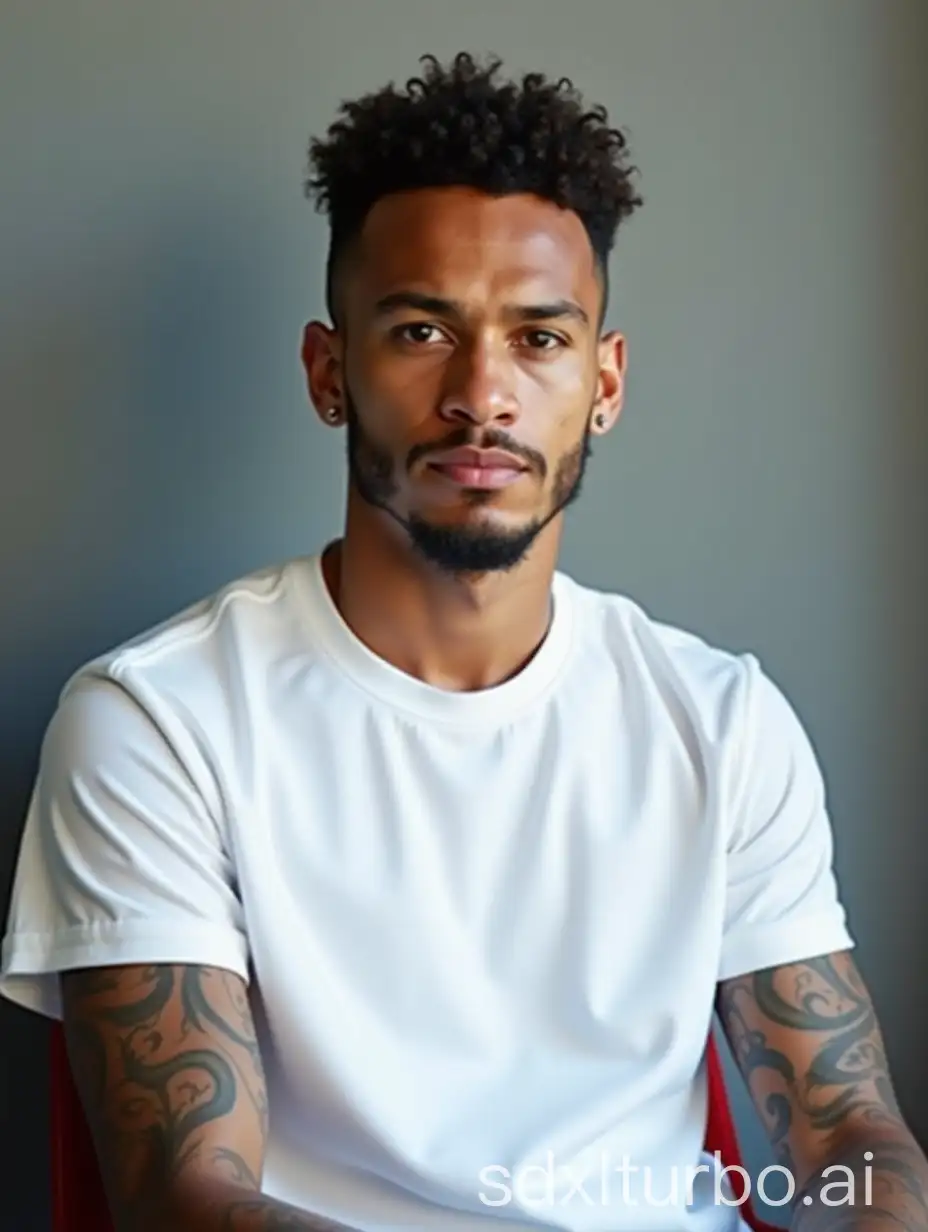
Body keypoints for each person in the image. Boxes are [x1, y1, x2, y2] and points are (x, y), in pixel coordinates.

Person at [1, 50, 925, 1232]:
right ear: (329, 372)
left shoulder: (721, 722)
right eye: (423, 329)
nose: (482, 394)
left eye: (538, 338)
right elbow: (187, 1196)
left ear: (605, 381)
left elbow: (844, 1128)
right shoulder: (159, 721)